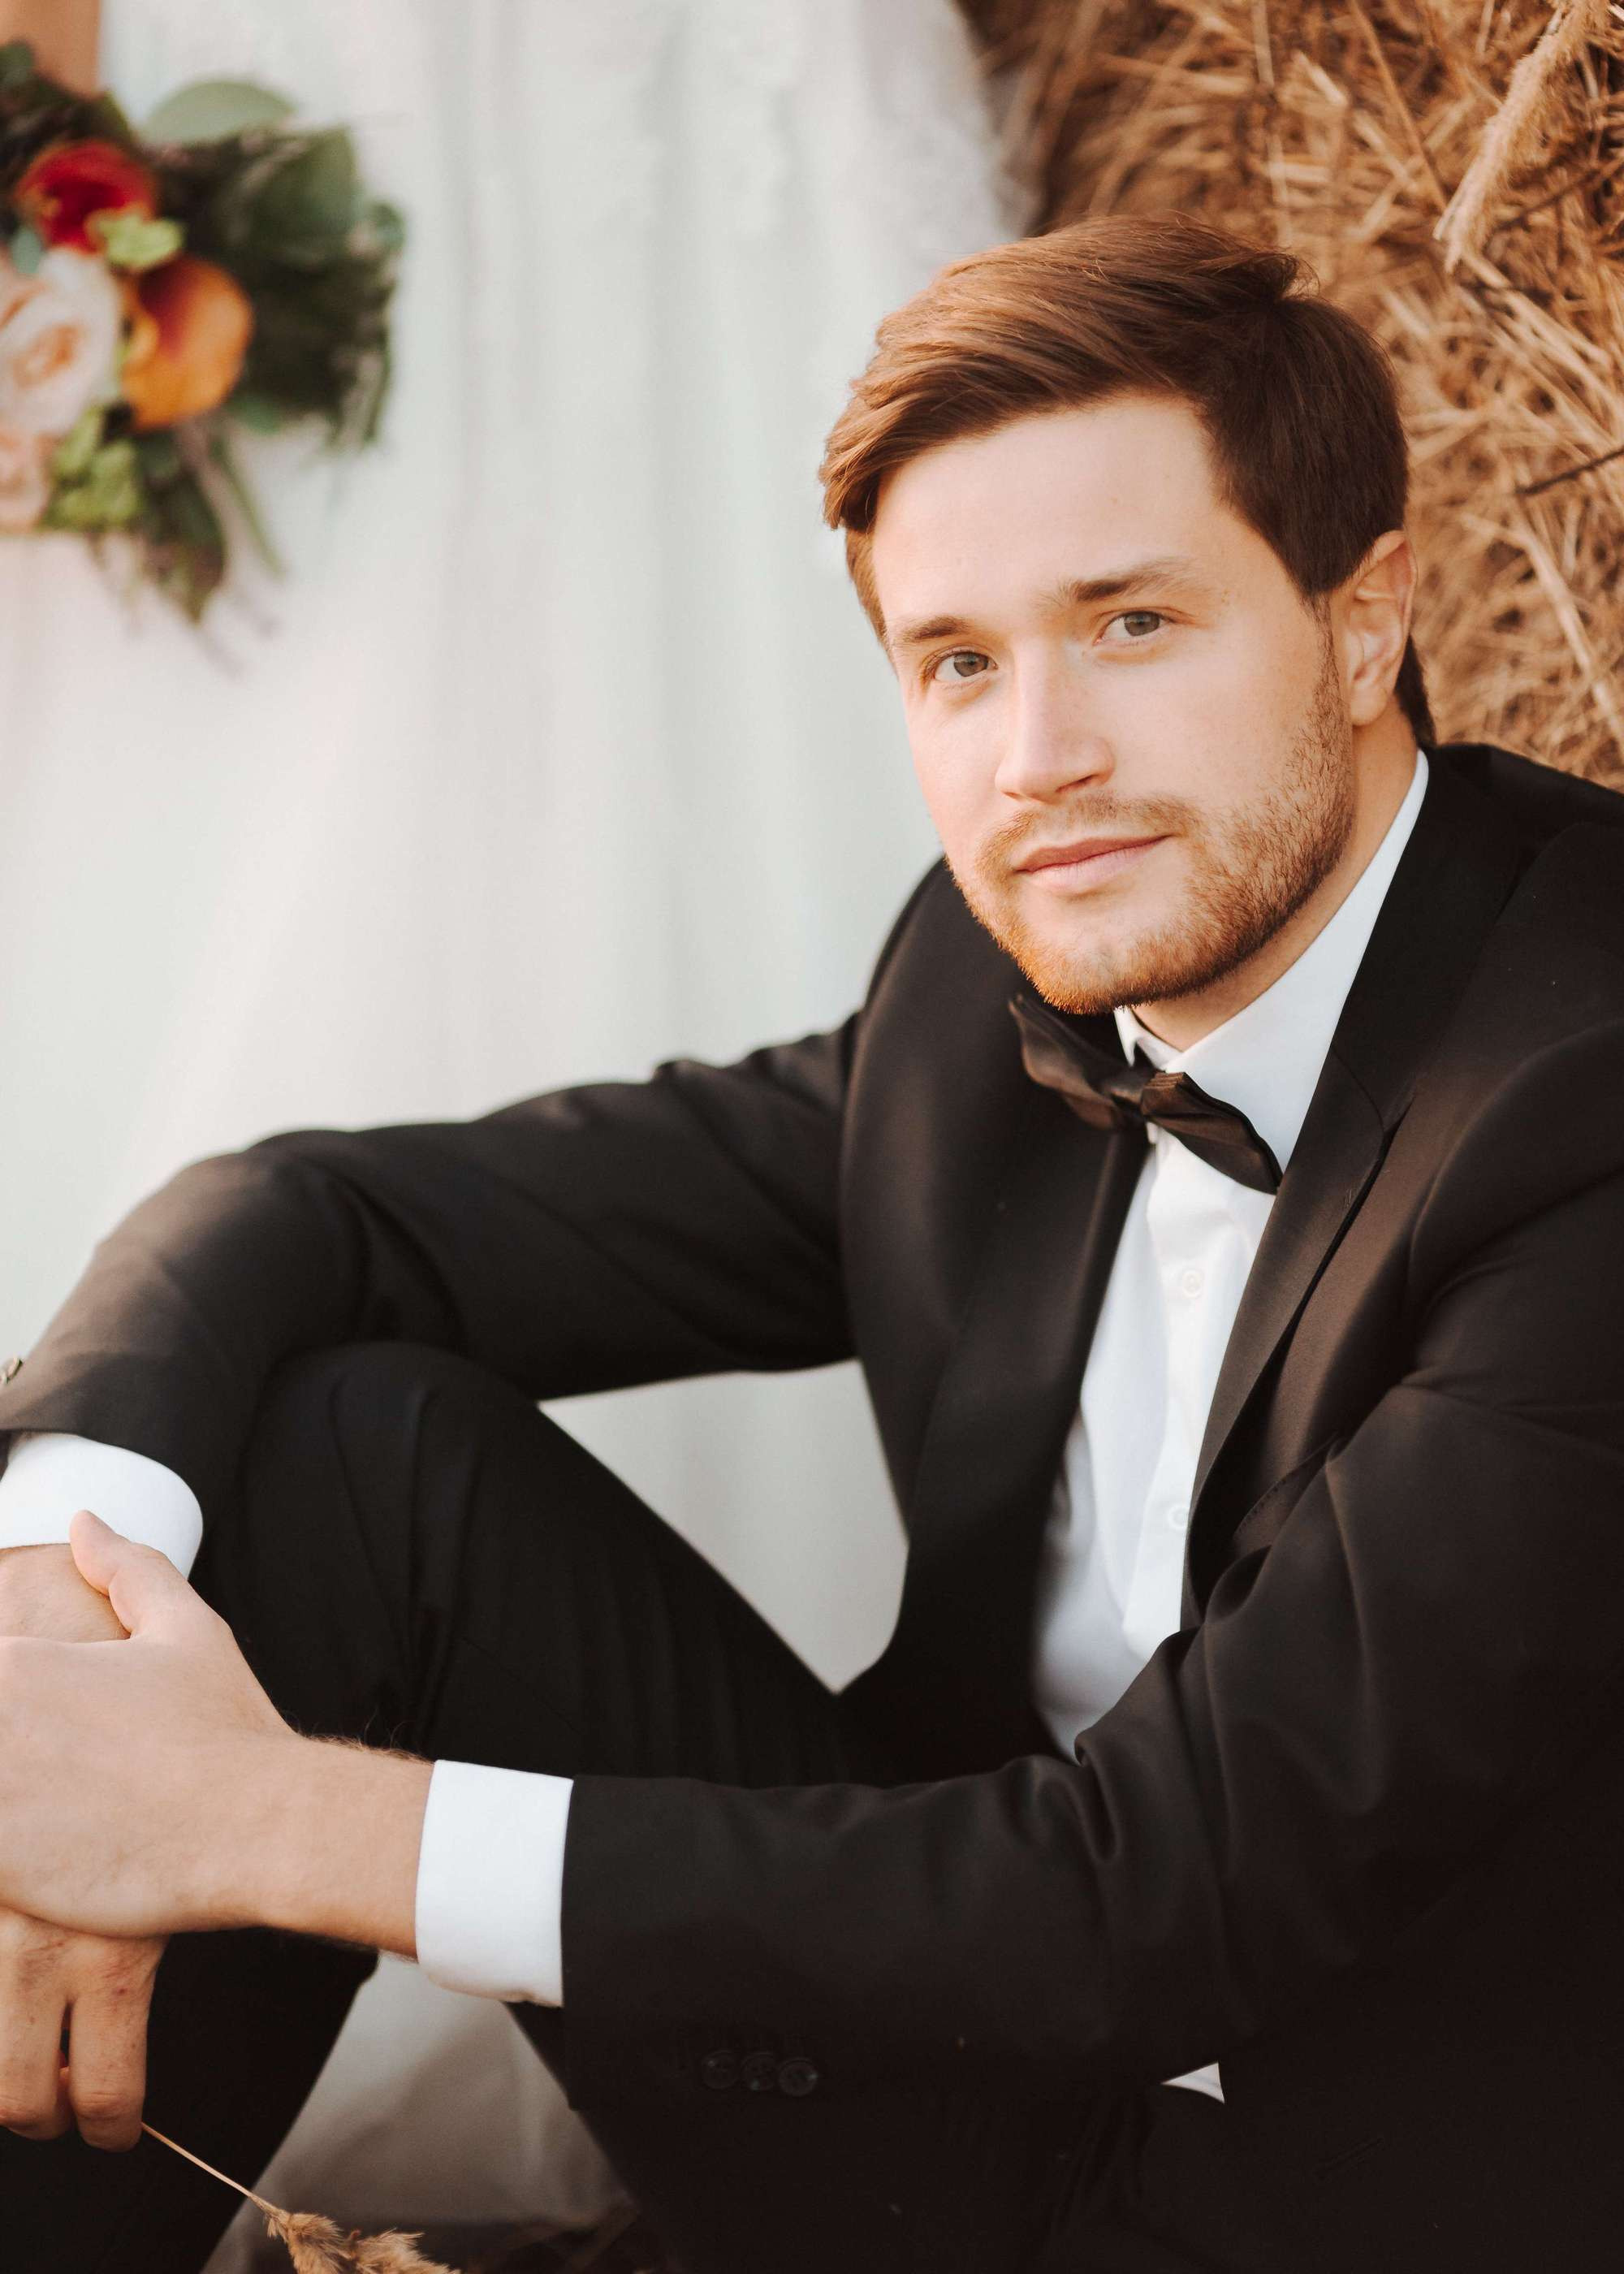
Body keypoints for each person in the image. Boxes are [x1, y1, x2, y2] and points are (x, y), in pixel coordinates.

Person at [2, 209, 1622, 2274]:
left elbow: (1161, 1892)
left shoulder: (1583, 1095)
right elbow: (316, 1209)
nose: (1037, 757)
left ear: (1366, 615)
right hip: (944, 2073)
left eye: (1131, 621)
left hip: (1328, 2201)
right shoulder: (998, 973)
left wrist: (244, 1816)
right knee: (338, 1457)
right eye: (958, 663)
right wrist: (49, 1637)